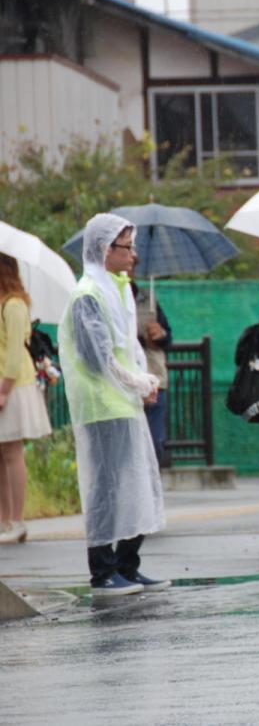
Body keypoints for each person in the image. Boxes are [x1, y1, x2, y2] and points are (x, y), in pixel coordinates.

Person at [58, 214, 169, 595]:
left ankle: (127, 564)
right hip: (101, 403)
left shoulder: (118, 287)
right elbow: (97, 357)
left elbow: (129, 346)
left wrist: (143, 381)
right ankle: (103, 572)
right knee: (105, 486)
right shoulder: (87, 293)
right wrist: (137, 382)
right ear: (106, 249)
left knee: (134, 482)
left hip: (123, 401)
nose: (133, 255)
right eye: (126, 247)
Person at [0, 255, 52, 545]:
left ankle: (17, 520)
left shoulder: (15, 305)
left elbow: (15, 353)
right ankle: (5, 520)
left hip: (14, 384)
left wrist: (5, 389)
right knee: (1, 454)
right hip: (5, 384)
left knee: (12, 451)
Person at [133, 277, 172, 469]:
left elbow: (168, 337)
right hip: (129, 381)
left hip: (155, 377)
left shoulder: (149, 300)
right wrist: (139, 338)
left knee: (156, 440)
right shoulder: (108, 298)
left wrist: (159, 334)